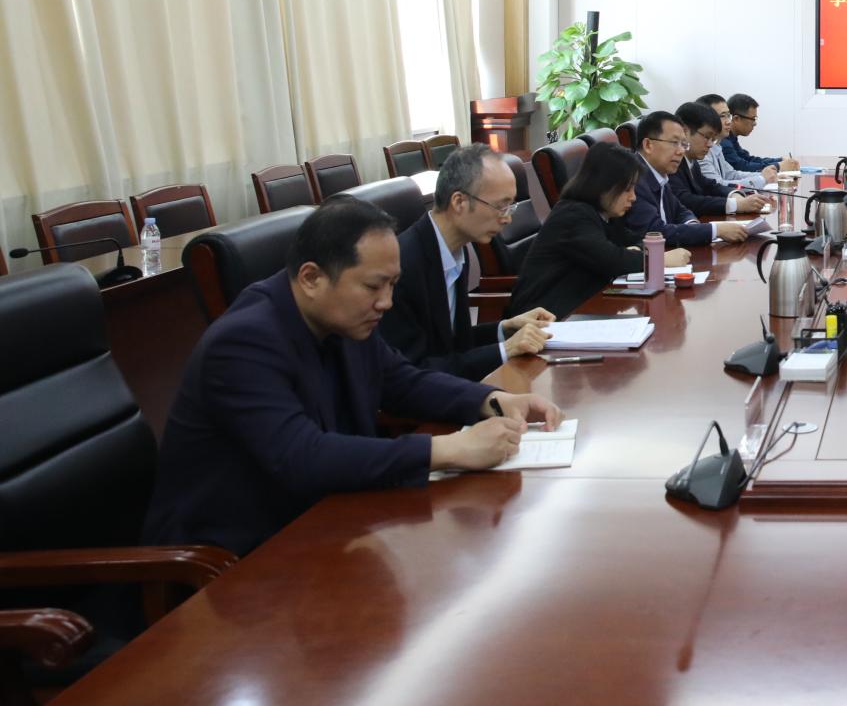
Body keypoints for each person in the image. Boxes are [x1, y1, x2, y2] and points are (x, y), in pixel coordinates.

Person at [143, 197, 563, 556]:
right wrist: (448, 449)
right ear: (311, 278)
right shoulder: (242, 343)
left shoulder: (341, 318)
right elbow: (303, 457)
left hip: (322, 522)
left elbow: (402, 380)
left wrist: (490, 399)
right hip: (233, 562)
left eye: (393, 285)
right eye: (373, 287)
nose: (386, 302)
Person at [380, 144, 555, 380]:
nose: (508, 218)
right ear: (459, 202)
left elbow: (452, 342)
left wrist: (504, 329)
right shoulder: (401, 268)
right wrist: (505, 350)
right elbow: (411, 371)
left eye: (510, 206)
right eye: (500, 206)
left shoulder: (454, 251)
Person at [507, 143, 687, 318]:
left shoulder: (605, 214)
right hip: (542, 320)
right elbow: (613, 260)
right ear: (603, 185)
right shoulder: (573, 215)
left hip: (581, 309)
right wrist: (658, 259)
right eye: (627, 189)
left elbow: (636, 240)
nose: (633, 197)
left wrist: (634, 251)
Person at [627, 110, 755, 249]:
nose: (681, 151)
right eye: (674, 143)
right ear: (648, 145)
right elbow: (655, 233)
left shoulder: (658, 173)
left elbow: (680, 211)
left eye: (683, 144)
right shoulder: (633, 179)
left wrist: (694, 227)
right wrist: (714, 230)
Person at [673, 101, 769, 217]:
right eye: (706, 137)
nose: (710, 144)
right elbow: (687, 200)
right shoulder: (673, 163)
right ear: (685, 131)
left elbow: (710, 186)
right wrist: (736, 204)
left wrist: (734, 194)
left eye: (712, 139)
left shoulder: (692, 160)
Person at [696, 92, 764, 190]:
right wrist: (762, 179)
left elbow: (731, 174)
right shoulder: (702, 152)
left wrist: (763, 175)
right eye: (723, 116)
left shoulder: (717, 146)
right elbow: (718, 186)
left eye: (728, 115)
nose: (728, 122)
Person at [723, 93, 798, 175]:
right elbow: (742, 167)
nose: (755, 123)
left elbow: (748, 159)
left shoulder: (732, 138)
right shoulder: (723, 140)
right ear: (736, 119)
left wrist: (780, 160)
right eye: (753, 119)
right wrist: (778, 166)